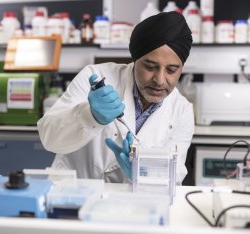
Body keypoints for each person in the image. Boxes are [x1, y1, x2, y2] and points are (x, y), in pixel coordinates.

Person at [37, 11, 194, 184]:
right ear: (135, 60)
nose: (159, 80)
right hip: (73, 195)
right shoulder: (95, 76)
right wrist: (89, 116)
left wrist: (142, 172)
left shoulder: (182, 110)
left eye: (171, 70)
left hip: (134, 203)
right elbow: (49, 138)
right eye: (150, 67)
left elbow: (175, 174)